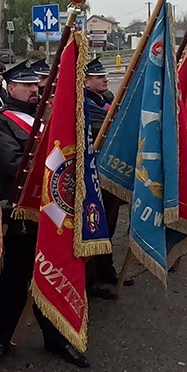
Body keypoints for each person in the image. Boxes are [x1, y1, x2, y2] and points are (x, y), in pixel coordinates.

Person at [0, 61, 89, 369]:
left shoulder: (46, 118)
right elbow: (13, 163)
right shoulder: (1, 122)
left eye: (36, 85)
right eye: (27, 85)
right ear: (11, 88)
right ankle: (1, 338)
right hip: (21, 214)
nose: (34, 89)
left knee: (52, 271)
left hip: (52, 211)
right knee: (14, 281)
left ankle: (56, 338)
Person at [82, 58, 125, 298]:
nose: (105, 80)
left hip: (111, 173)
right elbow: (105, 130)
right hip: (95, 175)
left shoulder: (106, 97)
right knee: (96, 227)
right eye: (99, 77)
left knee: (110, 224)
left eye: (105, 76)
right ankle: (92, 279)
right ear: (86, 82)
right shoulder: (85, 104)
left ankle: (107, 270)